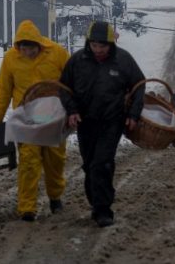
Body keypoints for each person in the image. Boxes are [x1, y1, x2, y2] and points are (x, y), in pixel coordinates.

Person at [59, 20, 145, 228]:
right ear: (88, 43)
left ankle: (103, 209)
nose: (98, 50)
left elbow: (139, 86)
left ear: (110, 44)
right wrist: (72, 110)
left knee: (102, 163)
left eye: (102, 46)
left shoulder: (123, 60)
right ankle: (96, 202)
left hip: (112, 121)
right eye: (94, 45)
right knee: (90, 165)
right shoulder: (77, 61)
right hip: (85, 121)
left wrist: (133, 114)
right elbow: (63, 87)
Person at [0, 20, 70, 222]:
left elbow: (72, 83)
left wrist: (75, 110)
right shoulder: (10, 59)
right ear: (18, 47)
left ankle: (55, 197)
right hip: (26, 119)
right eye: (23, 49)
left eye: (31, 48)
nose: (27, 53)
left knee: (55, 161)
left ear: (38, 44)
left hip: (54, 117)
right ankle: (27, 208)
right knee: (28, 162)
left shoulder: (58, 54)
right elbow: (3, 93)